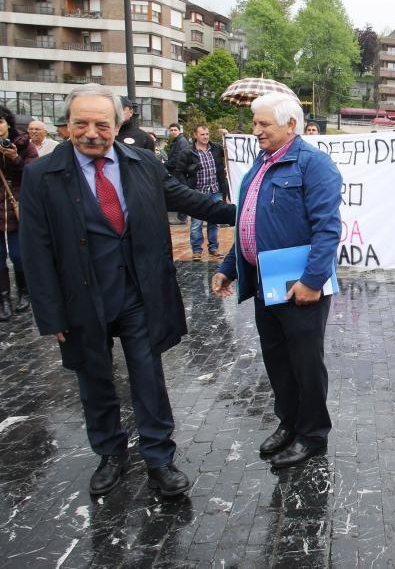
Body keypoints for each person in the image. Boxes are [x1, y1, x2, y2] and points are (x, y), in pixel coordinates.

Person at [19, 84, 236, 497]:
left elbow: (190, 200)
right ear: (66, 126)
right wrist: (50, 314)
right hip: (81, 299)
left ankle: (159, 459)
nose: (91, 132)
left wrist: (246, 213)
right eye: (80, 123)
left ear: (119, 123)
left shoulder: (143, 164)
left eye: (102, 123)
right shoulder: (41, 175)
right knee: (95, 380)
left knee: (149, 377)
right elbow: (35, 247)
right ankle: (110, 454)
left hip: (139, 292)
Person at [211, 92, 342, 469]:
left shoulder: (314, 165)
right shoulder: (260, 164)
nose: (256, 131)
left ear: (290, 125)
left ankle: (313, 434)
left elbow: (328, 230)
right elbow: (246, 224)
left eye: (264, 124)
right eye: (255, 123)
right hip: (264, 283)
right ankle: (289, 423)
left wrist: (313, 280)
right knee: (277, 360)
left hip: (300, 285)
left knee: (304, 362)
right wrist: (229, 266)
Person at [0, 107, 38, 319]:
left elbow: (33, 174)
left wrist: (14, 157)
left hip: (18, 205)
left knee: (18, 253)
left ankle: (25, 292)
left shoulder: (24, 145)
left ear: (7, 123)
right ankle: (3, 298)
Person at [186, 125, 230, 259]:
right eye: (202, 134)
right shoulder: (189, 151)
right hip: (198, 192)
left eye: (207, 134)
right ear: (196, 135)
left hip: (215, 190)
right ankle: (197, 250)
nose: (205, 137)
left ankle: (213, 248)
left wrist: (226, 136)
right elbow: (181, 170)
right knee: (196, 223)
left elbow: (230, 151)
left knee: (214, 221)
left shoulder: (215, 149)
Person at [164, 123, 193, 226]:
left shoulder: (181, 141)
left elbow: (178, 158)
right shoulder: (177, 141)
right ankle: (181, 216)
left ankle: (182, 217)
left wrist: (165, 164)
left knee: (181, 194)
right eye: (171, 130)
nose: (173, 132)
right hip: (177, 171)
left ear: (179, 130)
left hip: (180, 172)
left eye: (175, 130)